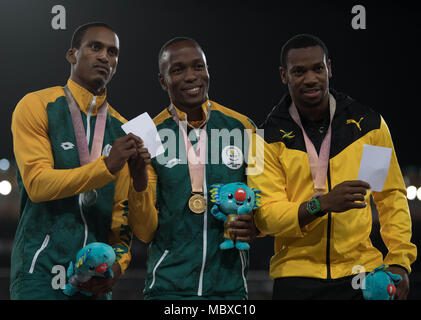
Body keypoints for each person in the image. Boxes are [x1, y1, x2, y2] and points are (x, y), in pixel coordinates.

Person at [247, 34, 417, 300]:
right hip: (296, 279)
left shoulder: (367, 126)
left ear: (329, 68)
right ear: (284, 75)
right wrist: (322, 204)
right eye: (299, 71)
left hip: (361, 273)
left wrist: (399, 260)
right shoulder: (265, 138)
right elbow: (265, 216)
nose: (311, 78)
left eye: (318, 68)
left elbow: (389, 198)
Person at [10, 22, 149, 299]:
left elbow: (120, 221)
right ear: (72, 55)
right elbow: (37, 184)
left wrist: (118, 267)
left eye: (113, 52)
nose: (104, 57)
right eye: (95, 47)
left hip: (95, 281)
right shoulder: (37, 105)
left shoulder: (123, 130)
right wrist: (106, 167)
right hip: (38, 273)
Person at [128, 37, 257, 299]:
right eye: (178, 69)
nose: (191, 76)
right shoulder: (148, 134)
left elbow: (265, 199)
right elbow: (144, 231)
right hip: (167, 289)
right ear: (163, 80)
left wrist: (257, 225)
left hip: (229, 289)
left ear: (208, 71)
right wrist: (138, 178)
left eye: (198, 67)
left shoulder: (244, 127)